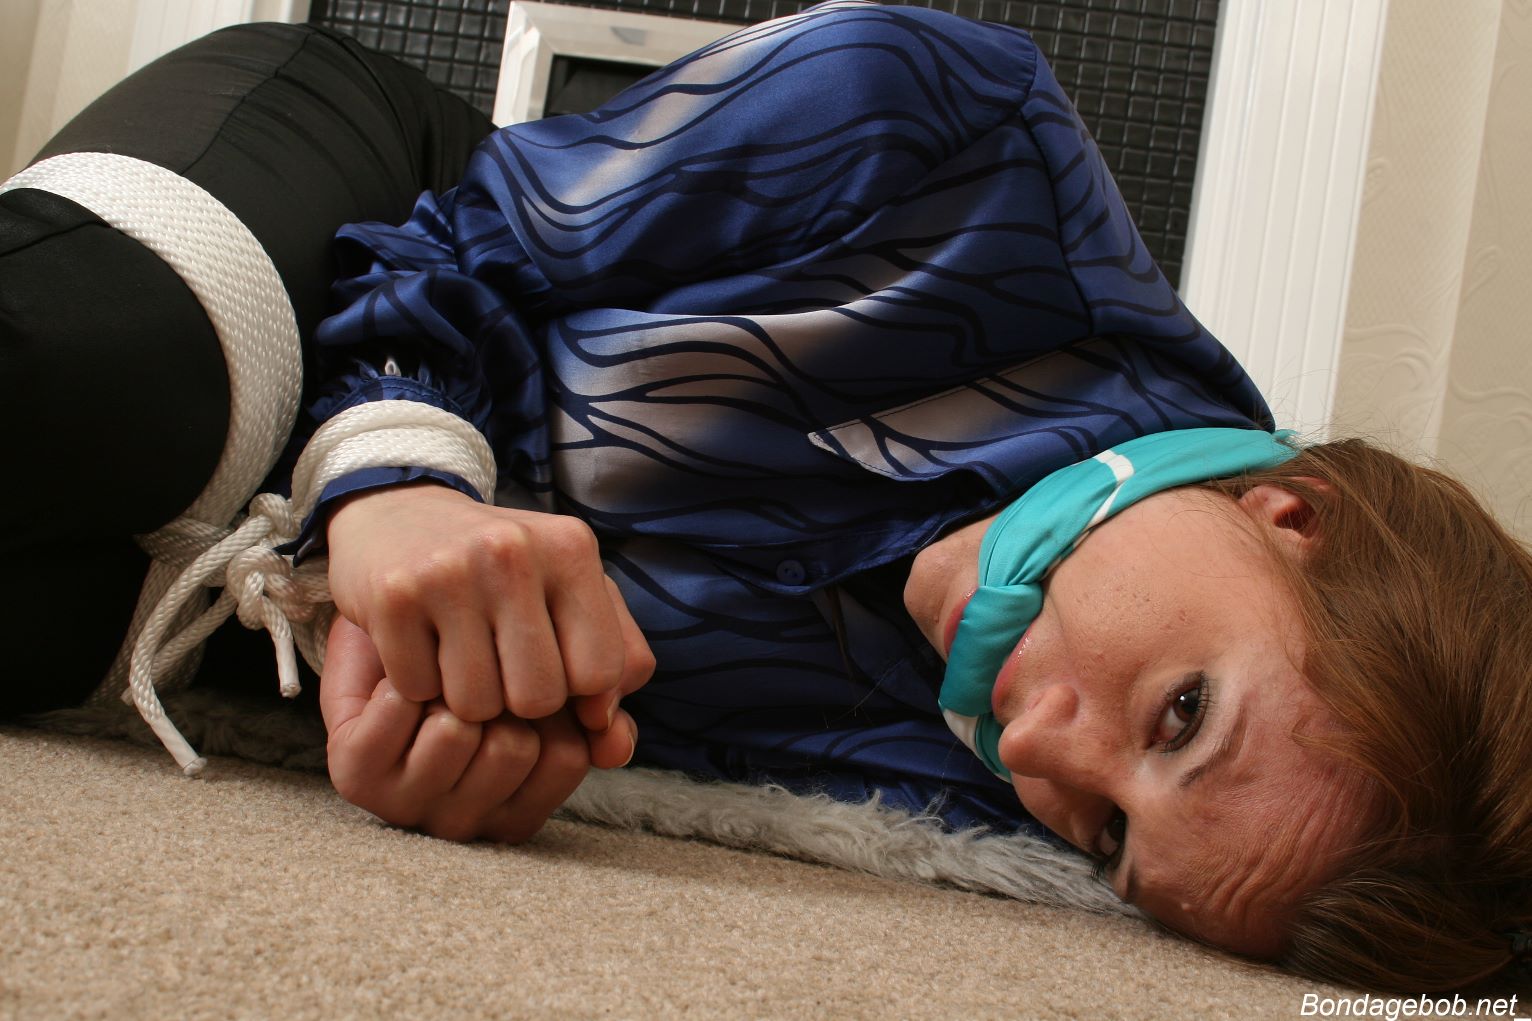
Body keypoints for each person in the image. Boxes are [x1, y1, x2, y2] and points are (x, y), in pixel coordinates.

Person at [6, 0, 1528, 994]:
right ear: (1295, 516)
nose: (1037, 753)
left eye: (1113, 841)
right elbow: (445, 244)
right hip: (362, 218)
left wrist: (454, 734)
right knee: (98, 380)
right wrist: (398, 485)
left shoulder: (999, 792)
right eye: (1182, 715)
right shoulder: (951, 140)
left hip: (259, 579)